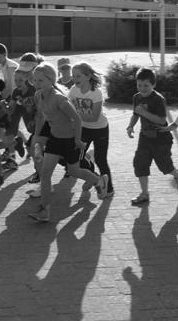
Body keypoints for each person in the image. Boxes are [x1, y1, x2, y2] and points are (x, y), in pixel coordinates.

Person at [29, 63, 108, 222]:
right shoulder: (38, 95)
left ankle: (99, 180)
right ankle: (45, 211)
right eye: (35, 80)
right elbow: (41, 117)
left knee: (74, 171)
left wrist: (78, 140)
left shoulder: (60, 99)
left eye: (41, 80)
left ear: (51, 80)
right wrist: (36, 138)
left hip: (71, 140)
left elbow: (77, 120)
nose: (37, 84)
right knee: (45, 173)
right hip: (55, 139)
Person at [126, 67, 178, 206]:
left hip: (161, 139)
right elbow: (135, 114)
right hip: (144, 137)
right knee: (140, 164)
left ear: (153, 84)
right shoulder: (137, 97)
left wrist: (144, 113)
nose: (142, 88)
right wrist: (130, 126)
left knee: (165, 166)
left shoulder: (158, 99)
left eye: (146, 85)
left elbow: (161, 120)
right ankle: (144, 193)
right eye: (139, 85)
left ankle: (177, 174)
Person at [68, 61, 114, 197]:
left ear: (88, 77)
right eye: (73, 76)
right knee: (78, 158)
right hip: (83, 129)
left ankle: (109, 189)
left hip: (100, 129)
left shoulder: (96, 93)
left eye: (78, 76)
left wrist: (75, 116)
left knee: (101, 160)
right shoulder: (73, 90)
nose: (74, 79)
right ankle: (94, 179)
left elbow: (94, 117)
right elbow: (67, 107)